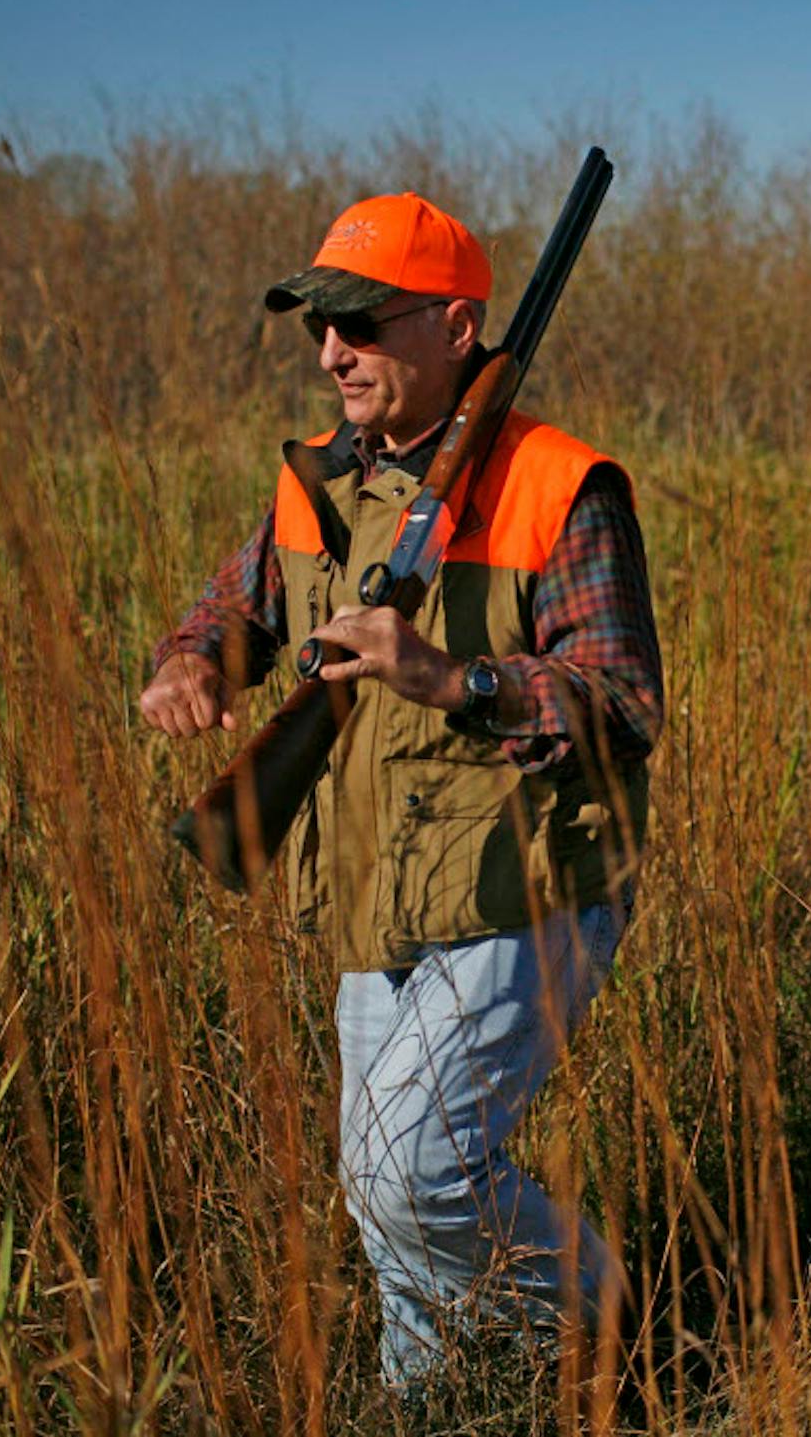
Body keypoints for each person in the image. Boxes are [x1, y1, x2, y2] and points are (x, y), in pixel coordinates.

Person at [138, 191, 663, 1390]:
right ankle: (423, 1396)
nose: (333, 353)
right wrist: (190, 660)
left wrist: (455, 677)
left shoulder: (558, 484)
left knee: (408, 1167)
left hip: (520, 886)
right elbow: (243, 604)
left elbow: (623, 705)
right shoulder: (322, 478)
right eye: (322, 326)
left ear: (459, 329)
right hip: (374, 885)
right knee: (379, 1197)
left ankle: (604, 1324)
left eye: (365, 324)